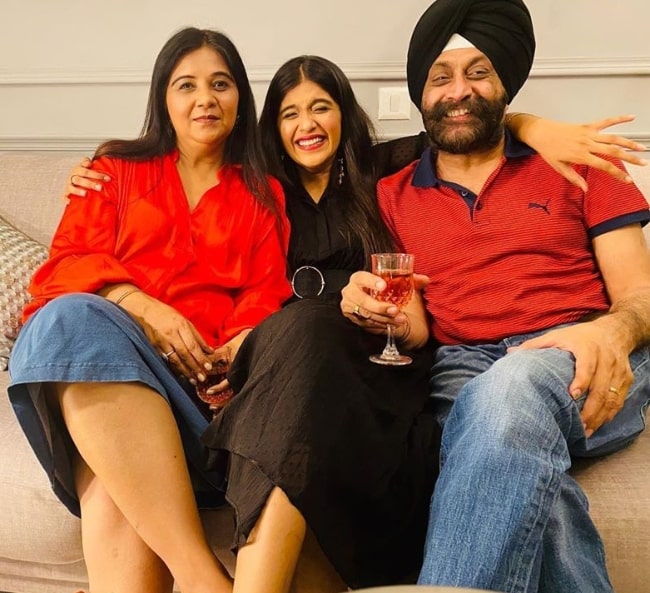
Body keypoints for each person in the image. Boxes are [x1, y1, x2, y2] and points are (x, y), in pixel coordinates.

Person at [59, 51, 647, 591]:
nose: (307, 124)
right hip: (314, 372)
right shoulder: (259, 190)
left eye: (321, 107)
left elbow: (461, 119)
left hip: (424, 366)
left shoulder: (376, 175)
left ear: (344, 115)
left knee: (499, 411)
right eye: (290, 113)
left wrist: (536, 127)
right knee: (529, 471)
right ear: (271, 127)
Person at [341, 1, 650, 592]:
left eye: (479, 72)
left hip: (579, 350)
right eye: (441, 76)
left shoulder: (584, 163)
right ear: (420, 94)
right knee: (524, 464)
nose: (460, 91)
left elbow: (640, 293)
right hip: (462, 365)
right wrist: (372, 309)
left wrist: (611, 331)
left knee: (507, 395)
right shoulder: (390, 195)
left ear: (507, 82)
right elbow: (414, 324)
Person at [7, 27, 292, 593]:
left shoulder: (262, 193)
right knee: (68, 323)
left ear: (240, 100)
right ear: (164, 97)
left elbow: (265, 295)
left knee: (108, 479)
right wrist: (141, 306)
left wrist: (236, 353)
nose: (205, 98)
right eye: (187, 85)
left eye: (220, 84)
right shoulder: (113, 171)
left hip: (199, 400)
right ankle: (203, 577)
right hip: (112, 370)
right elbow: (61, 271)